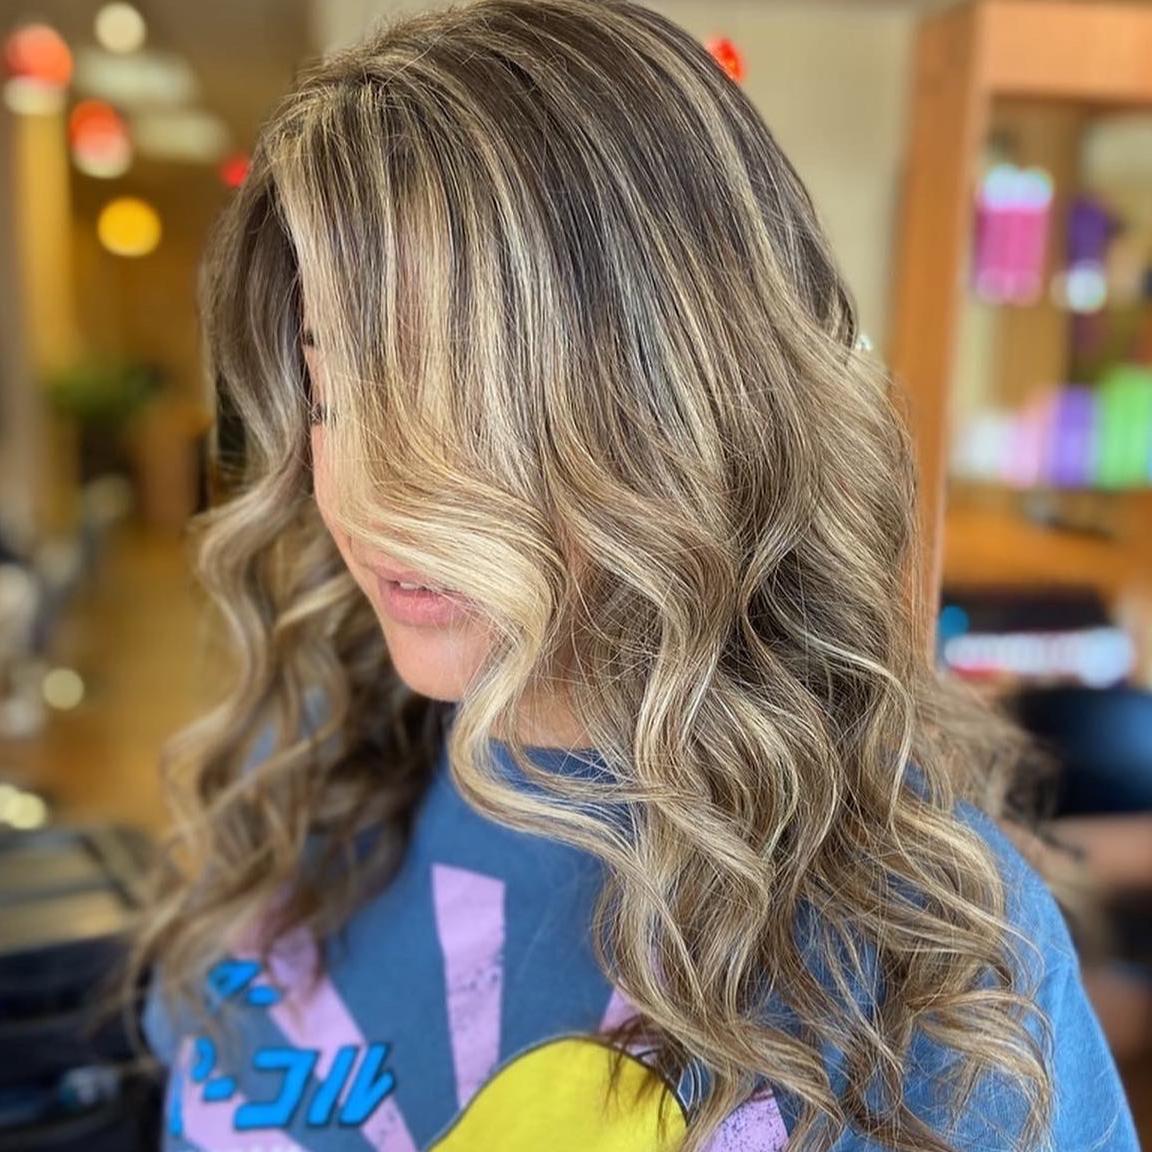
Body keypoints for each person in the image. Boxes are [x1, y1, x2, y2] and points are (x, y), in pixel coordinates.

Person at [130, 2, 1140, 1149]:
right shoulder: (293, 788)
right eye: (334, 392)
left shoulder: (920, 955)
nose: (371, 497)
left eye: (467, 401)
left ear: (685, 408)